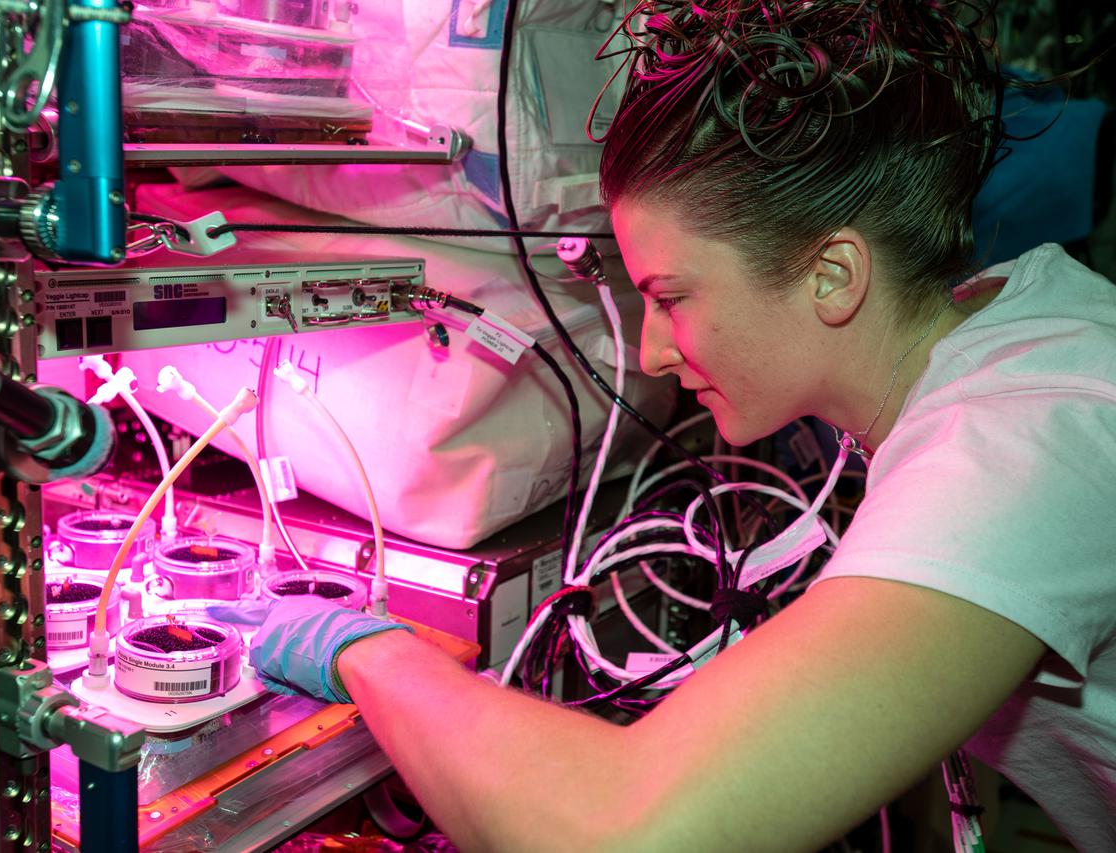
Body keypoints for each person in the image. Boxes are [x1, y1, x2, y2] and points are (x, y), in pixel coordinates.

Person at [229, 2, 1116, 849]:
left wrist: (371, 651)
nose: (652, 351)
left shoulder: (1016, 446)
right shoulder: (1006, 333)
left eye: (672, 296)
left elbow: (624, 826)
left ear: (833, 275)